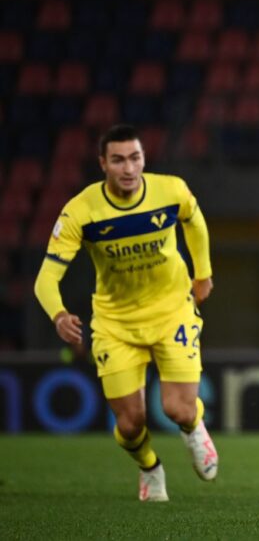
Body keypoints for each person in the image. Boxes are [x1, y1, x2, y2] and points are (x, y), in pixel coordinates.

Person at [34, 124, 218, 502]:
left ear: (144, 159)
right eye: (118, 160)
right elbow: (45, 279)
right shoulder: (81, 211)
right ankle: (150, 468)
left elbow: (194, 222)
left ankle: (195, 426)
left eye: (135, 158)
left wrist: (203, 273)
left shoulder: (170, 190)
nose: (128, 168)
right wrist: (58, 315)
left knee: (177, 410)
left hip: (172, 311)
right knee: (131, 424)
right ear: (103, 163)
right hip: (115, 323)